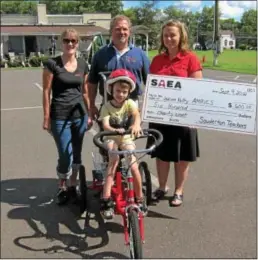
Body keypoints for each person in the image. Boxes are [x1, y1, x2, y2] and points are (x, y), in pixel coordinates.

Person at [146, 20, 203, 207]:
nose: (169, 38)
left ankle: (179, 191)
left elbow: (198, 90)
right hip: (161, 117)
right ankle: (162, 187)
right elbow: (151, 88)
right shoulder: (156, 60)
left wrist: (194, 115)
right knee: (162, 155)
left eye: (173, 35)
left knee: (182, 157)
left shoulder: (191, 58)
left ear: (181, 36)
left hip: (183, 118)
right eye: (166, 35)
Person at [42, 28, 92, 205]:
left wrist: (90, 113)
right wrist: (46, 117)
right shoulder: (52, 64)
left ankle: (72, 186)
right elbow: (46, 91)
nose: (70, 44)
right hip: (59, 115)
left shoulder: (83, 64)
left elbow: (85, 92)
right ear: (61, 42)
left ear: (78, 43)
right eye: (66, 41)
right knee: (65, 155)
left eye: (73, 41)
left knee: (77, 154)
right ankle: (62, 183)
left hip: (79, 115)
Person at [98, 69, 146, 219]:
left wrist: (137, 125)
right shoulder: (106, 107)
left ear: (129, 92)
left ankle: (140, 198)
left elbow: (137, 115)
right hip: (111, 137)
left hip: (125, 138)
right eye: (118, 91)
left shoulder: (130, 103)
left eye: (125, 92)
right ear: (111, 89)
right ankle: (106, 199)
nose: (121, 94)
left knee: (133, 164)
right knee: (114, 160)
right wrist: (114, 129)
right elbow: (105, 125)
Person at [86, 14, 150, 118]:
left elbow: (149, 83)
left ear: (129, 31)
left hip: (132, 106)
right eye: (117, 29)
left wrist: (147, 108)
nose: (122, 32)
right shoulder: (100, 54)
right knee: (108, 134)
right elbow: (92, 83)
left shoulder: (140, 54)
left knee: (132, 134)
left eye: (125, 29)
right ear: (111, 31)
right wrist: (92, 105)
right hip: (107, 105)